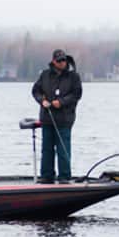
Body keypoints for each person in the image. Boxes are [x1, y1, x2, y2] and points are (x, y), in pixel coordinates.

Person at [31, 48, 83, 182]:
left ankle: (64, 177)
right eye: (59, 61)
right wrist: (42, 101)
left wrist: (61, 102)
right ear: (54, 61)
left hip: (65, 120)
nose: (62, 63)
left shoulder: (74, 77)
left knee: (63, 150)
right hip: (47, 119)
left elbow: (76, 94)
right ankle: (47, 176)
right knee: (47, 150)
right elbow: (35, 90)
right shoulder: (45, 75)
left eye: (64, 60)